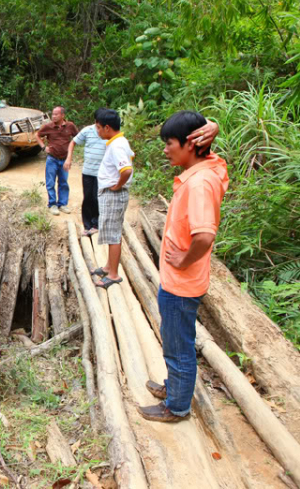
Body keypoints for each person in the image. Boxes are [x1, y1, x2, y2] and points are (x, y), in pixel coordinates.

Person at [138, 111, 228, 423]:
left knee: (178, 348)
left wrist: (183, 259)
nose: (165, 149)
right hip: (184, 281)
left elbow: (204, 236)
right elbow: (216, 157)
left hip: (181, 284)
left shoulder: (200, 184)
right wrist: (212, 127)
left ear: (190, 144)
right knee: (177, 341)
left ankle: (176, 407)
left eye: (169, 143)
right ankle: (173, 388)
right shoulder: (208, 167)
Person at [89, 108, 133, 289]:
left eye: (98, 128)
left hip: (114, 195)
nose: (97, 131)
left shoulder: (116, 146)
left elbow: (126, 169)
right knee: (110, 232)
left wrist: (117, 186)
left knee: (113, 234)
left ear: (107, 128)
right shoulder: (118, 142)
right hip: (111, 194)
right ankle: (109, 266)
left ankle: (113, 274)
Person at [66, 108, 107, 236]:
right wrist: (69, 158)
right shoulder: (87, 131)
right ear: (96, 121)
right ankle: (87, 225)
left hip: (102, 173)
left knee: (97, 198)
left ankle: (96, 224)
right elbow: (73, 142)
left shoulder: (108, 132)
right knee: (88, 198)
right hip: (88, 171)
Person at [36, 107, 78, 215]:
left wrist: (70, 150)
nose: (53, 116)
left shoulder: (70, 126)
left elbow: (77, 138)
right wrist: (43, 147)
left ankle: (63, 204)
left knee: (63, 182)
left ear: (62, 115)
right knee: (50, 182)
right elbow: (37, 135)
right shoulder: (48, 126)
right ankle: (52, 204)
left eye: (56, 114)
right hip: (52, 159)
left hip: (64, 160)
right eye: (53, 114)